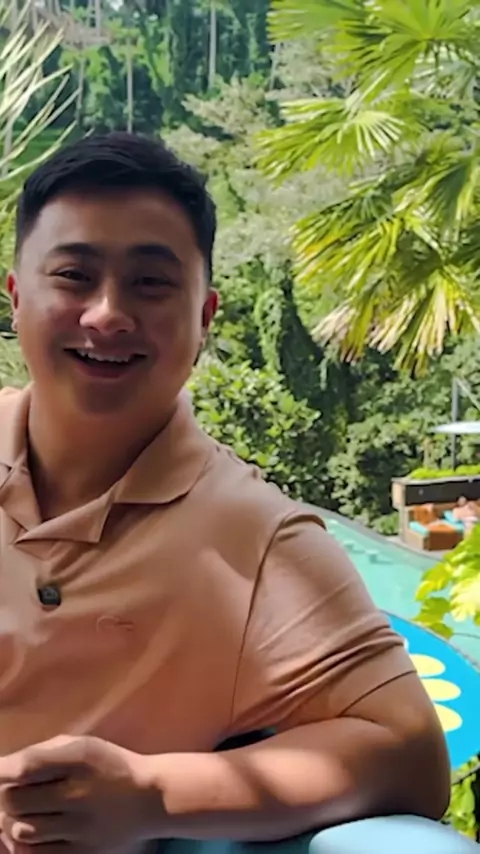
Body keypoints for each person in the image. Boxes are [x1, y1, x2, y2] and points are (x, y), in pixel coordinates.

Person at [0, 133, 450, 854]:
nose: (107, 313)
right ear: (17, 296)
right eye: (74, 275)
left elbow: (408, 750)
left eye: (150, 283)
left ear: (205, 317)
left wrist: (153, 795)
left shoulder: (257, 541)